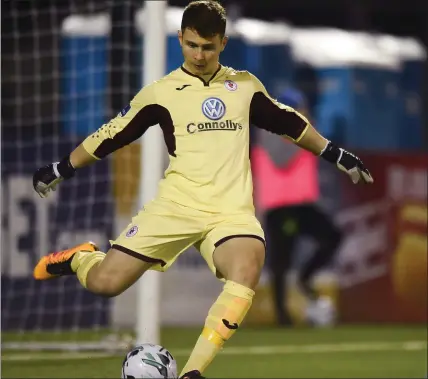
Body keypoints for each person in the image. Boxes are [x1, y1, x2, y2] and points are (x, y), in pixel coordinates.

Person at [32, 1, 373, 378]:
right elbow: (112, 134)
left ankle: (192, 372)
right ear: (180, 39)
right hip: (176, 206)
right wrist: (61, 167)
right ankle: (82, 258)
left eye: (208, 47)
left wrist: (335, 153)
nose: (198, 54)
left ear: (223, 43)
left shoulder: (243, 87)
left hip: (230, 214)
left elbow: (288, 122)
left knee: (247, 268)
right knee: (105, 283)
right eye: (192, 45)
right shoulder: (162, 93)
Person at [252, 88, 342, 326]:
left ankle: (306, 277)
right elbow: (281, 160)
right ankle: (282, 316)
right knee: (282, 260)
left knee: (332, 236)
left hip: (302, 204)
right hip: (279, 206)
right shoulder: (269, 131)